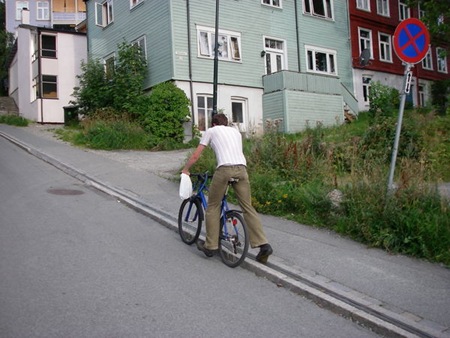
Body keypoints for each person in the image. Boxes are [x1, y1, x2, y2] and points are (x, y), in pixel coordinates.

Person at [181, 113, 273, 263]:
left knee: (213, 206)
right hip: (242, 170)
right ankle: (263, 245)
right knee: (247, 207)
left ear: (214, 124)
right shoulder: (235, 132)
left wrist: (186, 169)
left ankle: (210, 246)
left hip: (224, 170)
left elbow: (196, 155)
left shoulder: (211, 131)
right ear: (226, 123)